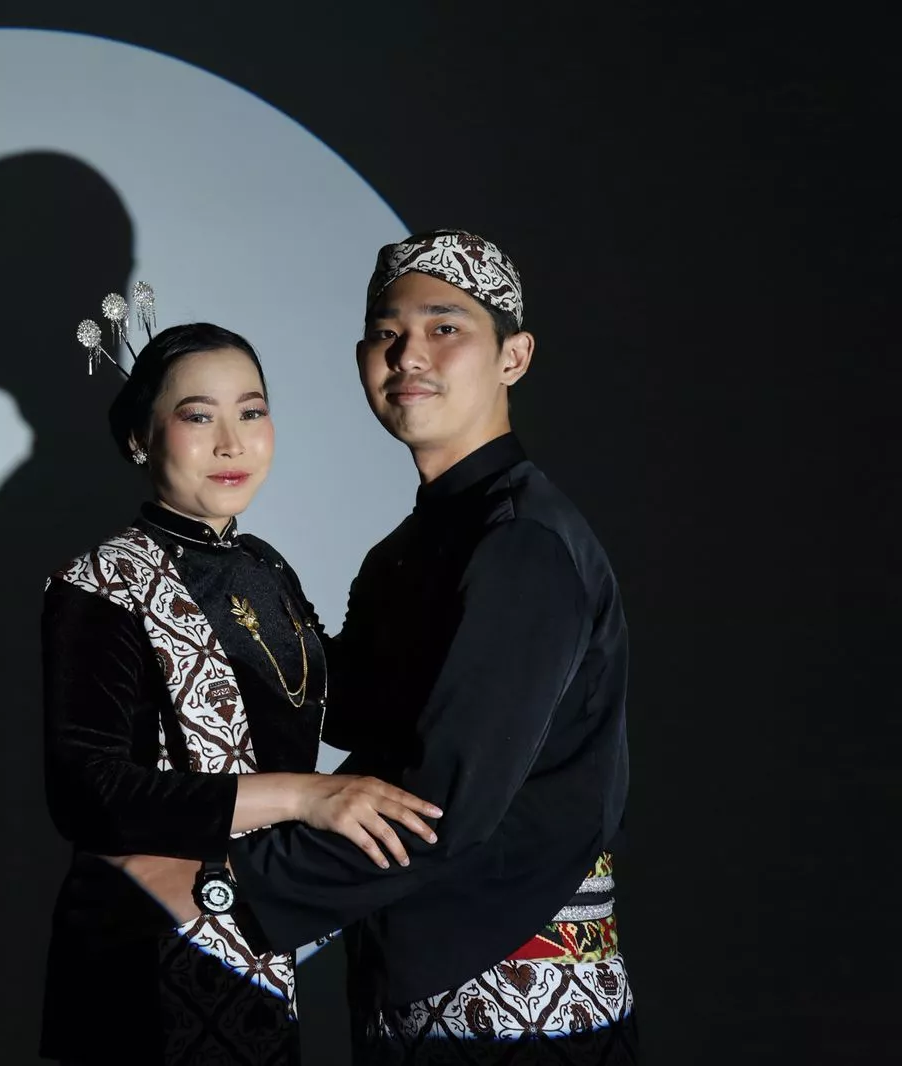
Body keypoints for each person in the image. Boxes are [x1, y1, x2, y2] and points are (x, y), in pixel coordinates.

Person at [124, 231, 634, 1063]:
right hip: (416, 978)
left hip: (517, 1003)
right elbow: (348, 707)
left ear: (513, 357)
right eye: (386, 333)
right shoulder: (413, 546)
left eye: (445, 328)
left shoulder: (522, 546)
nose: (408, 356)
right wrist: (219, 578)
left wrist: (223, 886)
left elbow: (443, 806)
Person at [39, 317, 444, 1065]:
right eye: (199, 417)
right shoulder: (99, 582)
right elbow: (87, 794)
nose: (233, 442)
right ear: (140, 436)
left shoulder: (264, 566)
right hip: (138, 950)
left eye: (251, 412)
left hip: (249, 939)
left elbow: (338, 703)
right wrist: (303, 797)